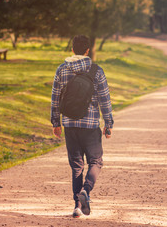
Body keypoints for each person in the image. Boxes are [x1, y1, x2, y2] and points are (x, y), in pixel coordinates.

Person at [50, 35, 114, 218]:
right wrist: (108, 123)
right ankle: (86, 190)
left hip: (70, 125)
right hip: (91, 125)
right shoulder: (96, 71)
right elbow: (105, 99)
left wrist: (56, 123)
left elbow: (55, 98)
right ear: (87, 50)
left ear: (72, 50)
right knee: (96, 161)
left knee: (76, 166)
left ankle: (77, 206)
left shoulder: (62, 69)